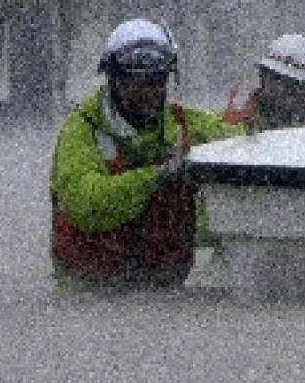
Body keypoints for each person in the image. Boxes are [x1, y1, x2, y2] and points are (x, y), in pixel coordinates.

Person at [48, 18, 242, 289]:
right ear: (112, 79)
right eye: (134, 82)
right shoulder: (82, 129)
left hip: (164, 295)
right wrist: (157, 177)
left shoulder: (184, 124)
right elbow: (87, 204)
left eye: (155, 81)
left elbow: (243, 145)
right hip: (85, 296)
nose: (146, 92)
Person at [222, 33, 305, 132]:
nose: (282, 89)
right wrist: (234, 126)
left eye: (294, 85)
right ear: (263, 77)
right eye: (276, 78)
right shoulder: (237, 113)